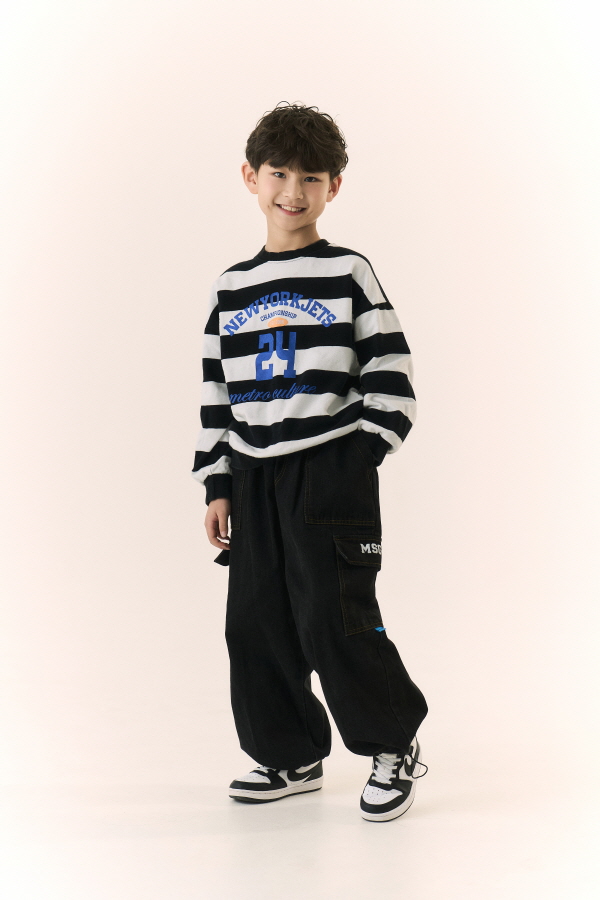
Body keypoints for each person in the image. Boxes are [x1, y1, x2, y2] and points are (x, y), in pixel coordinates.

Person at [192, 101, 429, 822]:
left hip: (328, 472)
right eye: (279, 174)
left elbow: (392, 377)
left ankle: (393, 745)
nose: (293, 191)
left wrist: (355, 459)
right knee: (255, 622)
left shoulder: (348, 272)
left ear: (334, 187)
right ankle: (289, 753)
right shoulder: (231, 286)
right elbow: (217, 393)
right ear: (250, 177)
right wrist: (219, 482)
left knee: (336, 617)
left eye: (312, 178)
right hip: (253, 478)